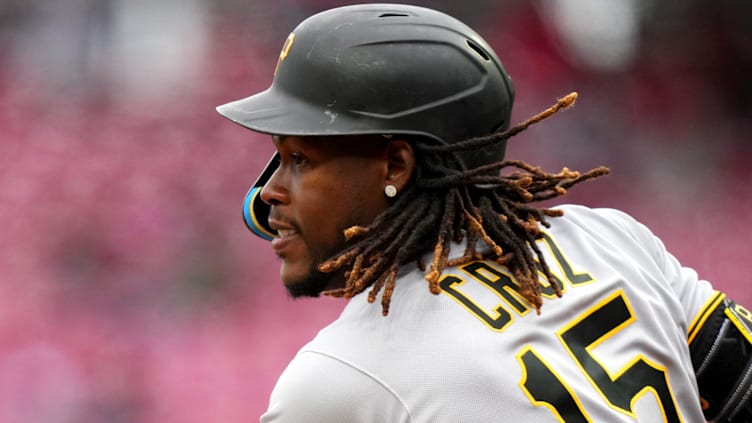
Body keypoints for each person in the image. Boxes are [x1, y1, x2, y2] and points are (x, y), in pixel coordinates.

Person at [217, 4, 752, 422]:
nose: (267, 191)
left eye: (299, 159)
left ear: (396, 165)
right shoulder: (608, 238)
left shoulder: (341, 378)